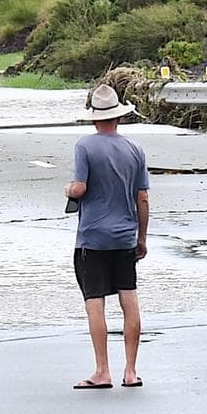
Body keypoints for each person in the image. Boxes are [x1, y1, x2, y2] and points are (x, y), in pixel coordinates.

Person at [64, 84, 150, 390]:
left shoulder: (85, 147)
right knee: (129, 298)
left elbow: (81, 188)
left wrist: (69, 190)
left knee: (95, 303)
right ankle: (131, 370)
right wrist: (142, 238)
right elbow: (142, 198)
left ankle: (102, 371)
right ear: (118, 117)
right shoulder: (135, 149)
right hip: (125, 237)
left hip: (92, 239)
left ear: (94, 118)